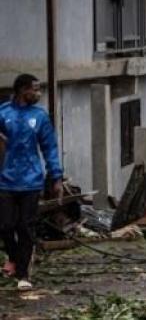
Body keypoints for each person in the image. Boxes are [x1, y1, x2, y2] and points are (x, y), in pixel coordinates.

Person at [0, 74, 63, 291]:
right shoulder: (3, 113)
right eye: (35, 90)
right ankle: (14, 257)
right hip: (6, 181)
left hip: (31, 181)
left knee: (25, 227)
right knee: (6, 226)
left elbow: (50, 147)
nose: (38, 94)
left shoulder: (40, 116)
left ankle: (23, 274)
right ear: (22, 90)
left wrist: (56, 176)